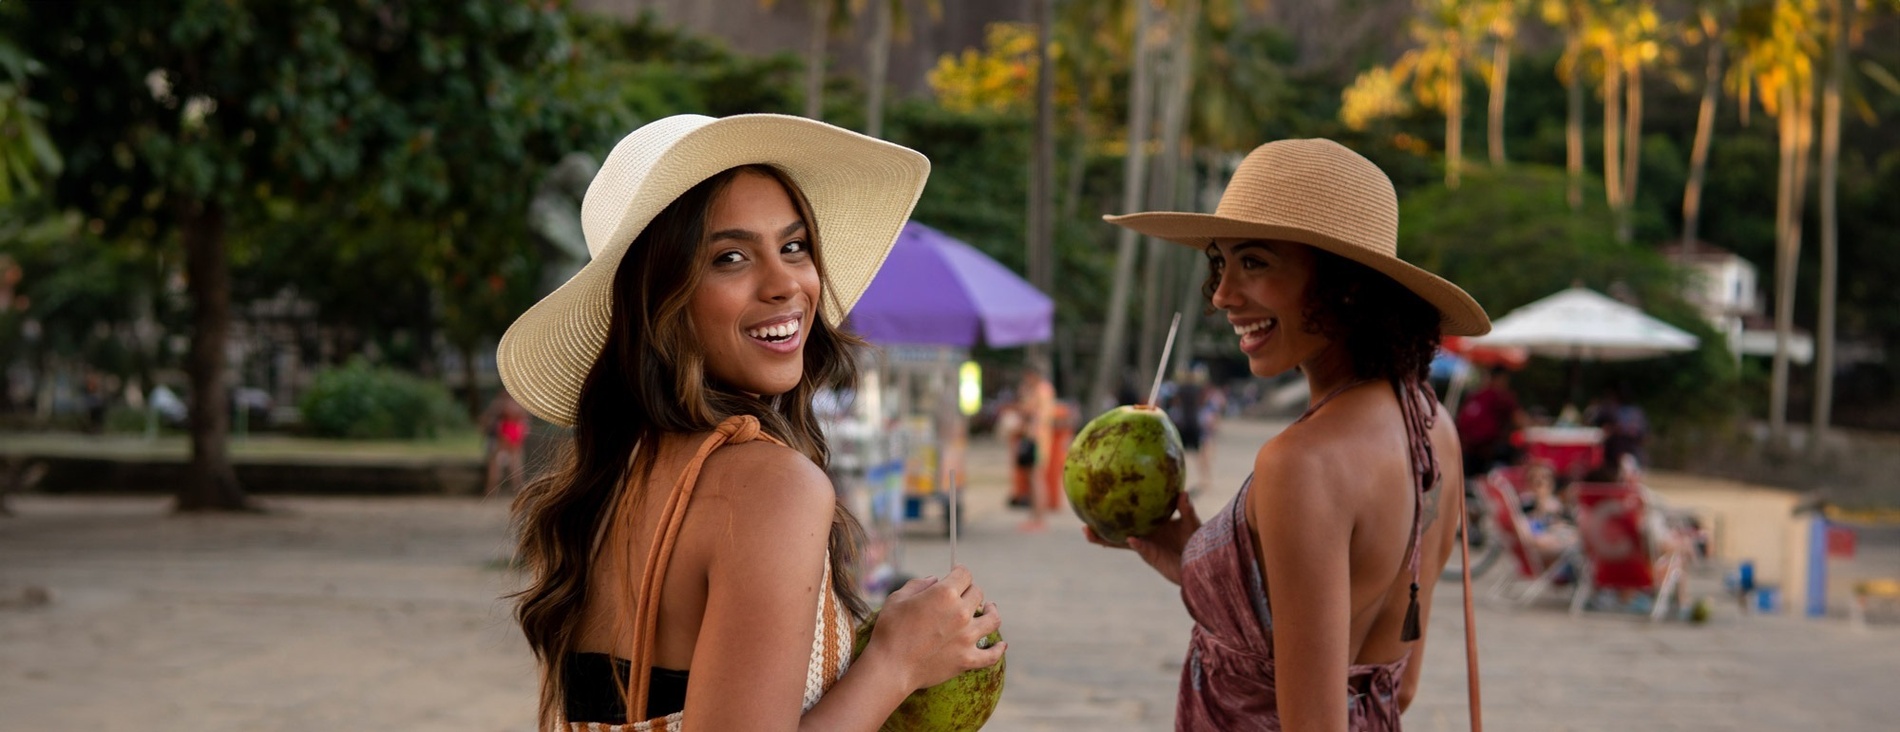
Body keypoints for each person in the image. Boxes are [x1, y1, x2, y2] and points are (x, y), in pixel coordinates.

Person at [497, 114, 1003, 731]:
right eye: (731, 257)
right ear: (659, 300)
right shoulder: (769, 486)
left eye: (793, 247)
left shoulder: (619, 475)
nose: (784, 282)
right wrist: (895, 663)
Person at [1086, 138, 1492, 730]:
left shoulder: (1301, 462)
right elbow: (1394, 688)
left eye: (1254, 262)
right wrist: (1208, 566)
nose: (1223, 295)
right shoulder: (1432, 426)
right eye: (1220, 263)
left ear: (1345, 282)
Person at [1454, 367, 1524, 477]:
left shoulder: (1476, 395)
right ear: (1502, 378)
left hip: (1466, 447)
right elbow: (1519, 421)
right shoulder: (1501, 397)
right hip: (1487, 450)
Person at [480, 391, 531, 497]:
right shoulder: (512, 404)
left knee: (507, 465)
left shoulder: (503, 404)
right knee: (510, 464)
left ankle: (494, 491)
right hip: (509, 434)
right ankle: (495, 491)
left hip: (510, 433)